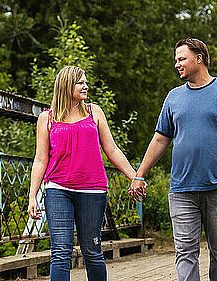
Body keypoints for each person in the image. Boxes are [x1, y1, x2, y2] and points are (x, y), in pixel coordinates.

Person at [129, 38, 217, 281]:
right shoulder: (173, 98)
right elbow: (160, 140)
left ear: (199, 58)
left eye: (181, 58)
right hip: (182, 189)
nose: (177, 64)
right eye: (176, 60)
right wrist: (139, 174)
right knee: (185, 252)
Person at [28, 65, 141, 281]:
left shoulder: (94, 112)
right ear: (66, 85)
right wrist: (32, 196)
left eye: (85, 82)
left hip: (93, 190)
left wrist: (135, 176)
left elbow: (112, 149)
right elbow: (41, 159)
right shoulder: (47, 118)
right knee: (60, 252)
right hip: (58, 189)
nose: (85, 86)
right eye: (80, 82)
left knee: (92, 250)